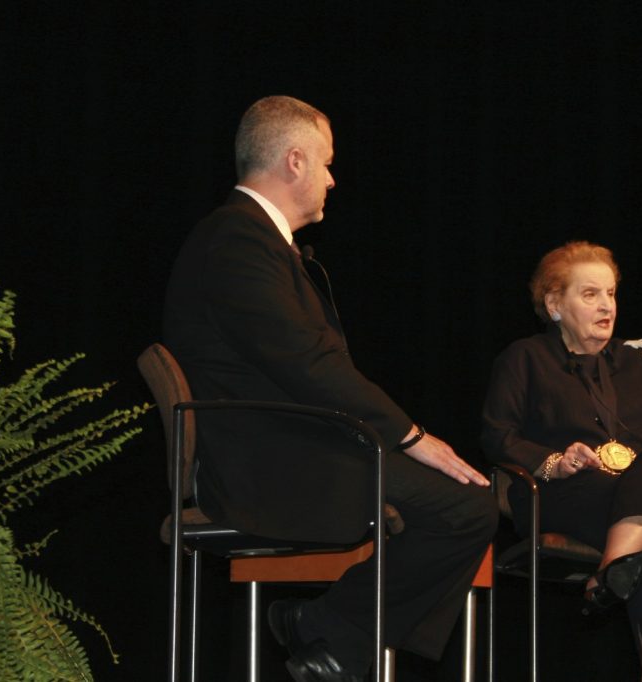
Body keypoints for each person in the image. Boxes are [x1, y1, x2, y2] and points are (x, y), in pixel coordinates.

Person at [163, 95, 497, 682]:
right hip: (268, 460)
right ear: (294, 161)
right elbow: (308, 365)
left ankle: (331, 634)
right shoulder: (238, 240)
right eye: (326, 163)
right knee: (466, 507)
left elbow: (304, 364)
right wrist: (411, 436)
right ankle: (328, 631)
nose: (332, 179)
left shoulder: (249, 240)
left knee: (465, 503)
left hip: (290, 443)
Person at [480, 241, 642, 682]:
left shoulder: (640, 361)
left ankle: (611, 569)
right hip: (569, 493)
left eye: (610, 294)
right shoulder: (525, 358)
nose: (606, 306)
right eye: (590, 294)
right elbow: (498, 435)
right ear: (554, 304)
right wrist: (554, 460)